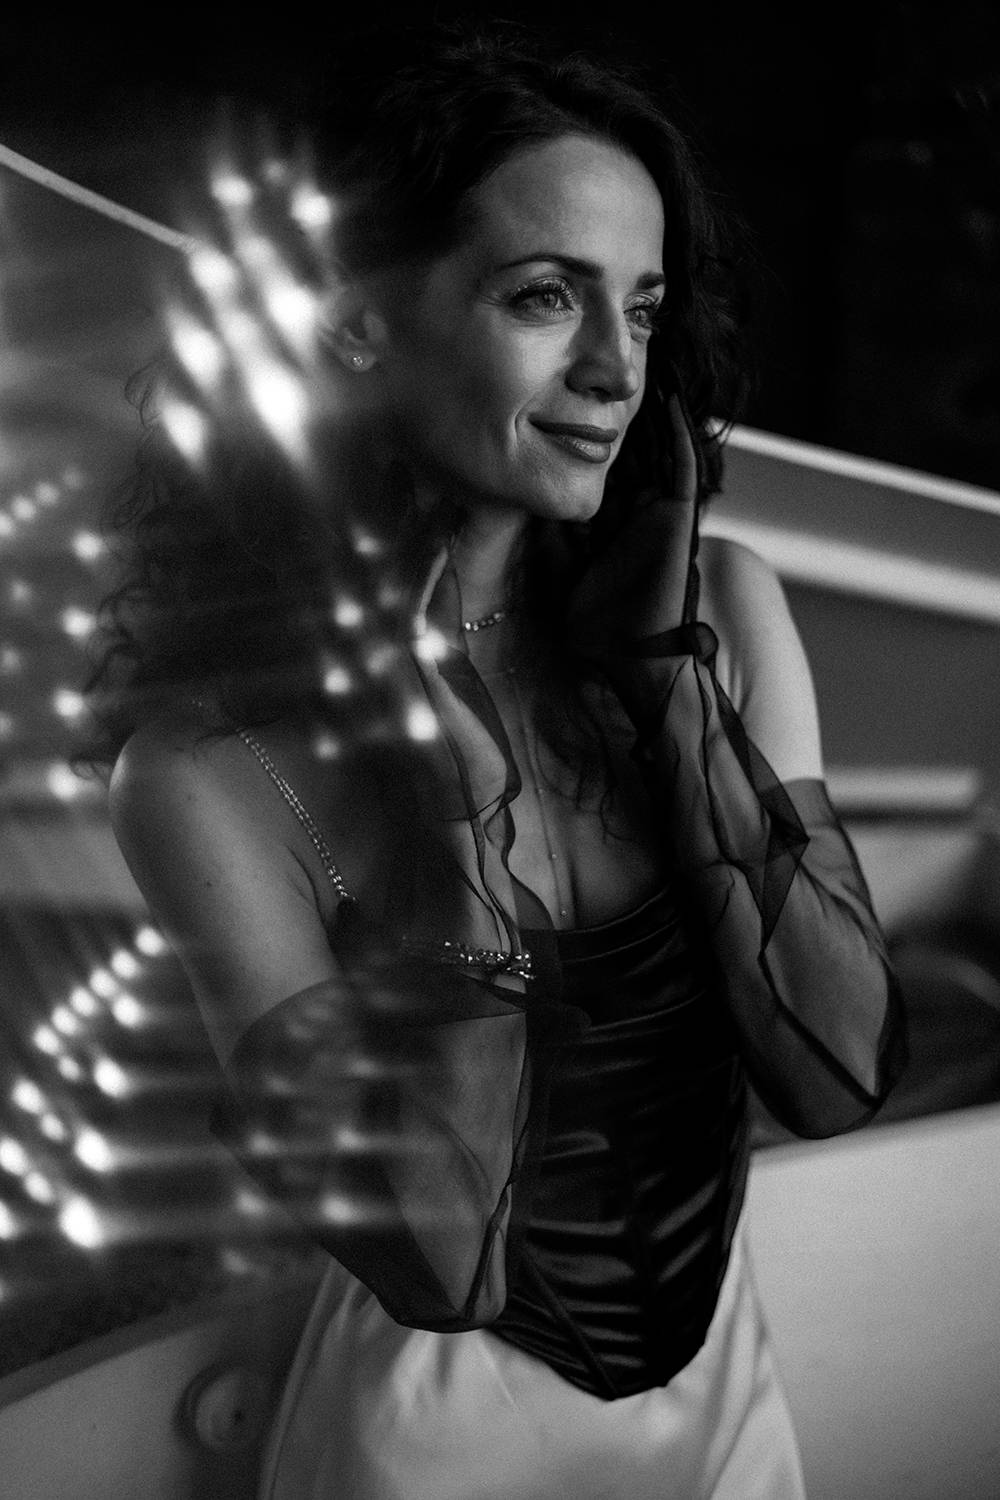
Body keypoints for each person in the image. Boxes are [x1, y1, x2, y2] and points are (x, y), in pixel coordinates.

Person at [86, 21, 906, 1499]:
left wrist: (670, 691)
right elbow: (445, 1265)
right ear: (357, 323)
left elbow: (840, 1072)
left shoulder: (725, 610)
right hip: (433, 1439)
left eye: (643, 310)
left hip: (728, 1412)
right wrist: (460, 805)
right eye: (544, 296)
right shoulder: (206, 771)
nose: (615, 369)